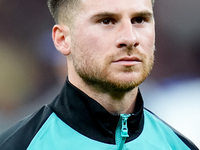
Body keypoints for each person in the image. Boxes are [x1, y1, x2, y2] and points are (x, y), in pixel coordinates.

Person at [0, 0, 198, 149]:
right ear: (62, 40)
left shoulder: (178, 145)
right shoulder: (20, 144)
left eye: (139, 20)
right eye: (106, 21)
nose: (130, 38)